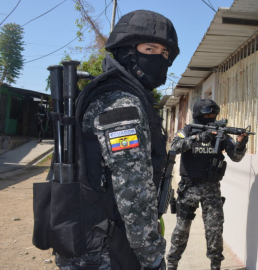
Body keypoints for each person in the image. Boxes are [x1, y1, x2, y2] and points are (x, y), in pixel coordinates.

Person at [53, 10, 180, 269]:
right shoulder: (122, 103)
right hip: (106, 249)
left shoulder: (116, 95)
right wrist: (152, 257)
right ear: (126, 51)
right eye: (150, 48)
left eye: (165, 53)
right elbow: (132, 190)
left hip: (94, 241)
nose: (159, 57)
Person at [166, 99, 248, 270]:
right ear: (198, 115)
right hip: (189, 188)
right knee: (182, 230)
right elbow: (175, 146)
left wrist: (240, 144)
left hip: (212, 189)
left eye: (213, 114)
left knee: (214, 230)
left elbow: (236, 157)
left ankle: (215, 265)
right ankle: (172, 264)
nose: (211, 117)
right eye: (208, 114)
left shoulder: (220, 134)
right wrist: (196, 138)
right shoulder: (188, 130)